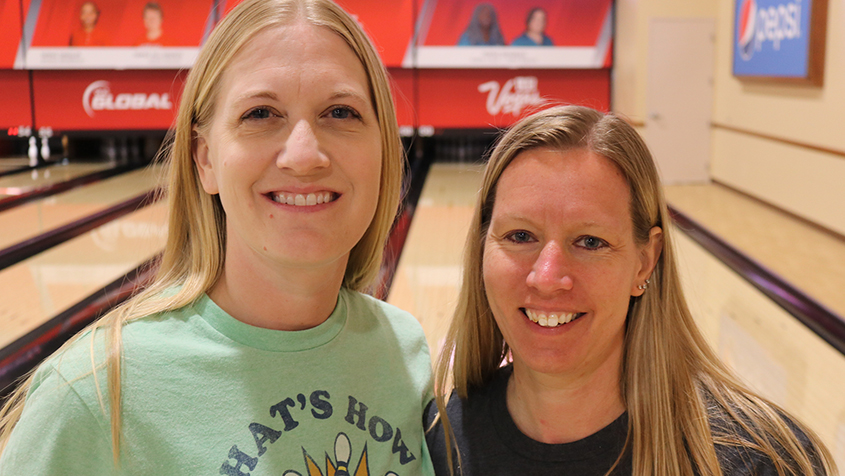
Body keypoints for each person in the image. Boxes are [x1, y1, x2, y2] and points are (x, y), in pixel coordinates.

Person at [0, 0, 434, 474]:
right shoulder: (94, 397)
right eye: (261, 113)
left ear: (384, 149)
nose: (304, 154)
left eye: (341, 112)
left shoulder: (404, 352)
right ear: (205, 159)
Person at [424, 105, 836, 475]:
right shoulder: (439, 443)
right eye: (519, 235)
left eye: (590, 242)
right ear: (481, 249)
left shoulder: (761, 461)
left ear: (645, 261)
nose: (547, 277)